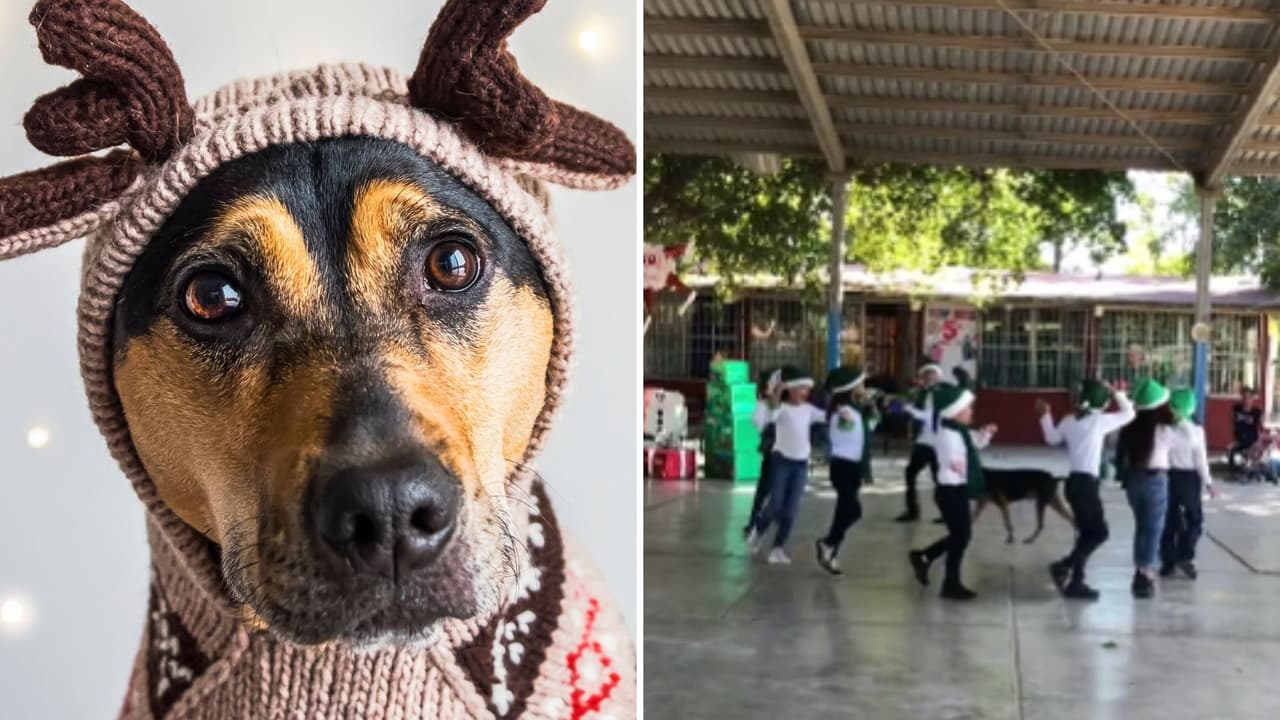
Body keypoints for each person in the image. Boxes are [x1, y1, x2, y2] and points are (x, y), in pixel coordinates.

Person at [1038, 379, 1135, 600]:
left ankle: (1067, 569)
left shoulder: (1070, 419)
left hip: (1073, 482)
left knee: (1088, 533)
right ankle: (1074, 578)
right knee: (1098, 533)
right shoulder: (1098, 421)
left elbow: (1051, 438)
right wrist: (1118, 393)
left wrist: (1045, 415)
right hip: (1086, 485)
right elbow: (1129, 414)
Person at [907, 382, 995, 601]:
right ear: (955, 412)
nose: (971, 412)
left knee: (960, 535)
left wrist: (985, 434)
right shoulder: (947, 435)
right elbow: (952, 462)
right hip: (949, 490)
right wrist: (964, 466)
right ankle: (949, 582)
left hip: (956, 488)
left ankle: (925, 557)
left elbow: (974, 445)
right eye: (968, 409)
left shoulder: (960, 431)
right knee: (961, 536)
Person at [748, 366, 826, 565]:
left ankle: (778, 548)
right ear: (788, 390)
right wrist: (773, 399)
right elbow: (768, 419)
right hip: (781, 461)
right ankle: (758, 531)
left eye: (806, 389)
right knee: (775, 504)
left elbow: (827, 416)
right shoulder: (781, 409)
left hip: (800, 465)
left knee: (791, 510)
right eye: (800, 388)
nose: (804, 393)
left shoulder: (809, 410)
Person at [1115, 378, 1175, 599]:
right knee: (1152, 528)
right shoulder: (1165, 430)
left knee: (1142, 526)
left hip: (1134, 482)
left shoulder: (1129, 428)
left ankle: (1140, 568)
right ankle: (1144, 574)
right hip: (1156, 481)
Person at [815, 365, 879, 576]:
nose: (864, 387)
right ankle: (828, 544)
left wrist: (870, 413)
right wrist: (856, 415)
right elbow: (844, 428)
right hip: (843, 467)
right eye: (861, 383)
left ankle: (829, 550)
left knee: (845, 512)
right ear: (851, 388)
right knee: (852, 510)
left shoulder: (854, 409)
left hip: (853, 468)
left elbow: (864, 431)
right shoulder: (843, 411)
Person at [1160, 388, 1217, 579]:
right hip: (1190, 479)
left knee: (1169, 520)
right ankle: (1185, 554)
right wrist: (1209, 483)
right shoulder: (1196, 431)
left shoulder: (1166, 429)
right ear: (1192, 407)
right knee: (1195, 519)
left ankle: (1168, 562)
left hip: (1168, 477)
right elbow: (1201, 460)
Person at [897, 362, 943, 523]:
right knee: (912, 473)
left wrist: (909, 409)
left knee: (939, 477)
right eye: (926, 375)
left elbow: (928, 416)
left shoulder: (935, 394)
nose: (929, 378)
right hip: (924, 440)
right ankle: (913, 510)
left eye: (932, 375)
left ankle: (941, 512)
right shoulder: (921, 394)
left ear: (938, 377)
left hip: (936, 442)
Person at [744, 367, 781, 539]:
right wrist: (773, 410)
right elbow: (759, 424)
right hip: (773, 453)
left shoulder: (789, 405)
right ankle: (754, 523)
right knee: (765, 489)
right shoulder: (762, 405)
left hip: (788, 453)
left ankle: (775, 520)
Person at [1229, 387, 1263, 470]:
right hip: (1239, 440)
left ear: (1252, 399)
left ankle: (1249, 461)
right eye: (1244, 397)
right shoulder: (1236, 409)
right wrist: (1232, 440)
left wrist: (1259, 443)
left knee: (1253, 454)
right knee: (1233, 462)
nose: (1246, 400)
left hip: (1252, 440)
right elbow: (1230, 423)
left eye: (1248, 397)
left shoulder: (1257, 412)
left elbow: (1261, 428)